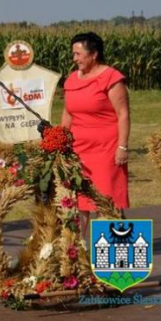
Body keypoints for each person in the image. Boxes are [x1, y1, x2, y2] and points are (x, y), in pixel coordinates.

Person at [61, 32, 130, 229]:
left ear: (94, 54)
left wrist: (123, 147)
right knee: (78, 201)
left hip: (107, 150)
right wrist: (60, 142)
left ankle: (111, 252)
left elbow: (123, 114)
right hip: (78, 150)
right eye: (73, 54)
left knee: (106, 198)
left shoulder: (112, 78)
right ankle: (79, 249)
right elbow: (68, 113)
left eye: (78, 54)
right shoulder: (72, 80)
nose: (74, 59)